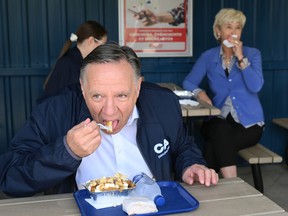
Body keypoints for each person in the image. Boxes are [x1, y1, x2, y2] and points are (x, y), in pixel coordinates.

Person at [0, 44, 218, 197]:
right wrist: (66, 151)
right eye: (97, 96)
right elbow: (10, 178)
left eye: (122, 95)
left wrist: (191, 165)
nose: (109, 111)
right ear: (83, 90)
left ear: (138, 87)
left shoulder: (163, 103)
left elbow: (182, 146)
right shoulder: (53, 111)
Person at [182, 8, 265, 178]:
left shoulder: (252, 54)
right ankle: (232, 184)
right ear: (218, 31)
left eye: (238, 28)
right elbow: (188, 82)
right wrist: (200, 93)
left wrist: (241, 58)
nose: (234, 32)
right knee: (220, 130)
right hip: (217, 118)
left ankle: (205, 183)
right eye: (229, 27)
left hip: (249, 124)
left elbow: (255, 86)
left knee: (217, 143)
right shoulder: (208, 56)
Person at [43, 20, 107, 96]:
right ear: (91, 41)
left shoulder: (76, 61)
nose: (103, 49)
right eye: (102, 45)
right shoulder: (71, 65)